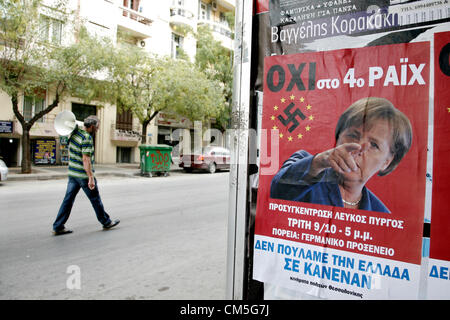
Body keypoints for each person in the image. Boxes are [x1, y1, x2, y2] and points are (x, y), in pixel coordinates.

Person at [270, 97, 412, 213]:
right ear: (338, 139)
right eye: (352, 135)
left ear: (386, 162)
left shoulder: (382, 215)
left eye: (374, 145)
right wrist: (320, 161)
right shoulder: (307, 166)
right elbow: (276, 191)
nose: (357, 148)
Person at [52, 115, 120, 235]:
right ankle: (106, 222)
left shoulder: (74, 132)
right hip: (83, 176)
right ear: (92, 127)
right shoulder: (87, 138)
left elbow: (75, 125)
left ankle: (58, 226)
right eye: (97, 127)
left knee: (68, 200)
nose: (98, 130)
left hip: (72, 174)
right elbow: (86, 160)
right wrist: (90, 177)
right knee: (95, 199)